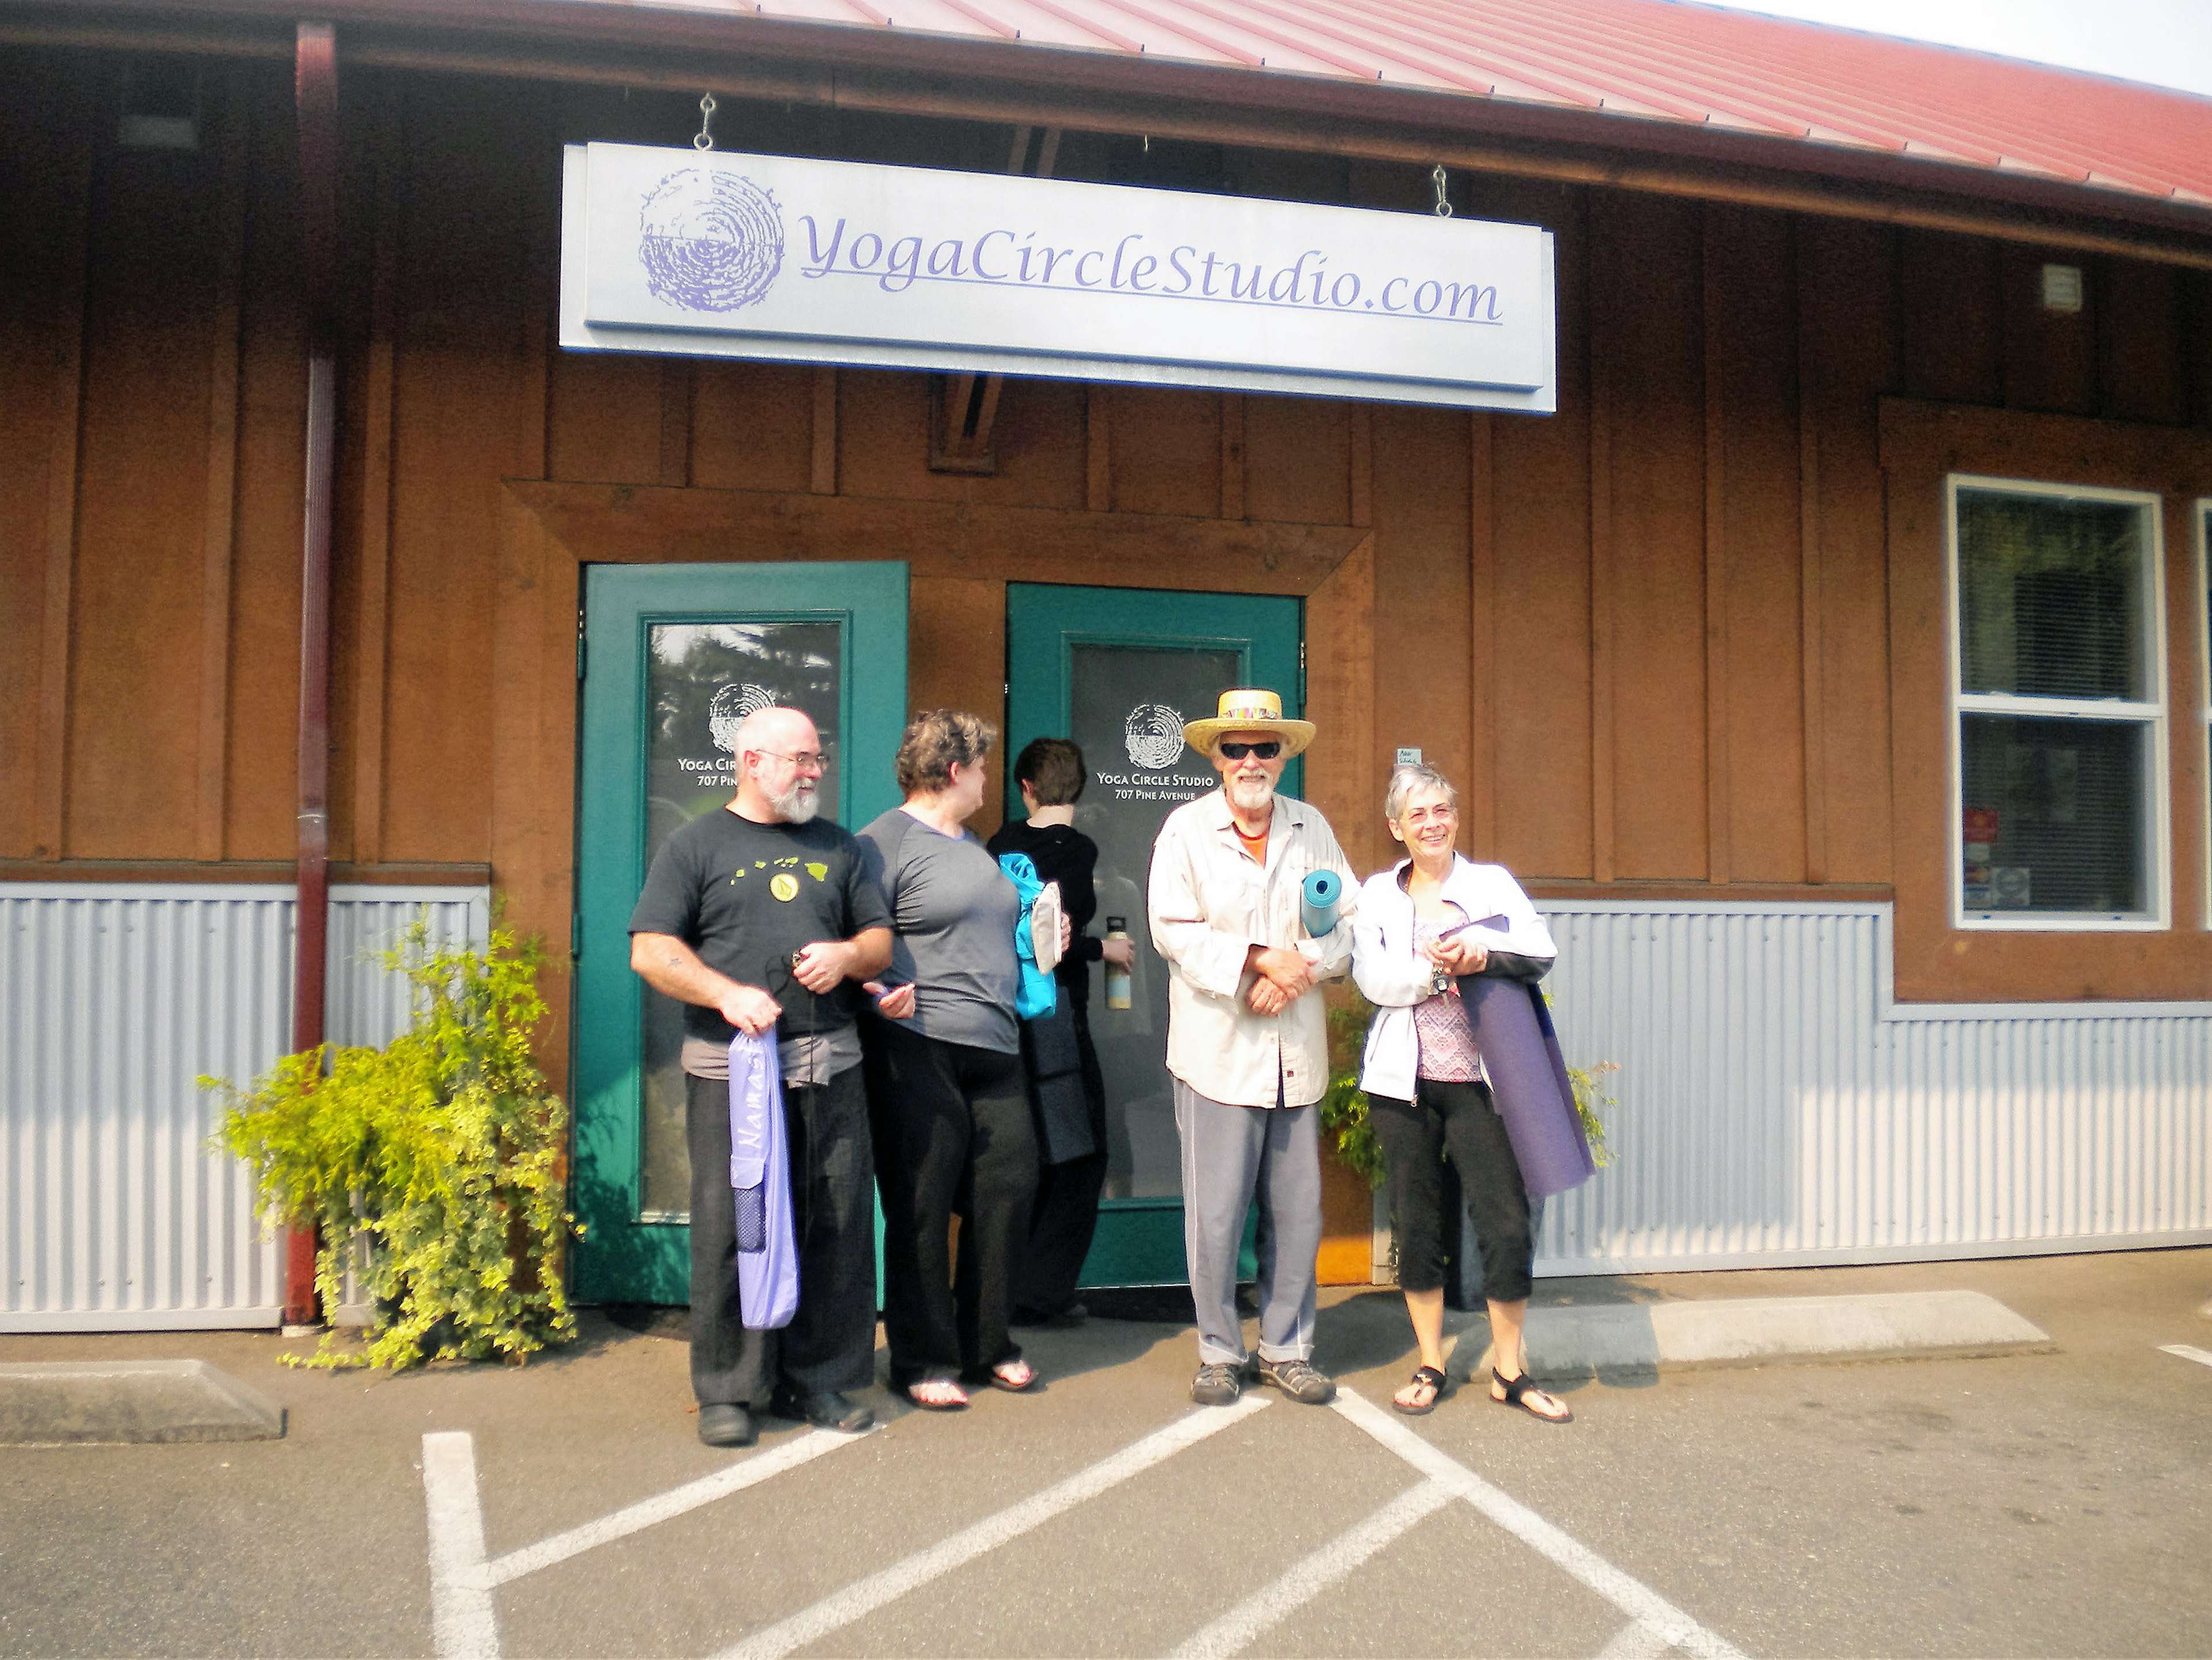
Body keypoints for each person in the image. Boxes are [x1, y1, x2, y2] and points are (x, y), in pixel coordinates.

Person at [628, 705, 893, 1449]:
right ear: (751, 760)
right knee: (734, 1227)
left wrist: (848, 956)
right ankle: (730, 1388)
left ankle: (820, 1379)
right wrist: (725, 993)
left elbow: (877, 940)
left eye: (817, 759)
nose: (814, 772)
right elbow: (650, 949)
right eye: (801, 759)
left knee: (834, 1224)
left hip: (828, 1064)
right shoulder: (695, 845)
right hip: (732, 1073)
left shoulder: (839, 846)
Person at [1147, 689, 1357, 1408]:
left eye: (1265, 747)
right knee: (1216, 1212)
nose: (1250, 760)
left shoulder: (1314, 827)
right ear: (1215, 756)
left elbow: (1347, 926)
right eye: (1235, 748)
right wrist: (1260, 960)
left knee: (1298, 1211)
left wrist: (1293, 970)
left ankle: (1287, 1348)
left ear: (1285, 755)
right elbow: (1172, 928)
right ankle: (1216, 1350)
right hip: (1218, 1052)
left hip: (1294, 1049)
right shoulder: (1185, 830)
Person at [1350, 762, 1577, 1422]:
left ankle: (1510, 1368)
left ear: (1455, 817)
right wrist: (1433, 970)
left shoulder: (1492, 884)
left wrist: (1482, 952)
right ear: (1397, 827)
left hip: (1484, 1083)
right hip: (1405, 1086)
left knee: (1506, 1224)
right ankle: (1430, 1361)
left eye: (1442, 809)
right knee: (1417, 1226)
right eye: (1417, 814)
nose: (1432, 823)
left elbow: (1540, 951)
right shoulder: (1377, 895)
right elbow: (1373, 980)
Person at [858, 709, 1039, 1411]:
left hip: (996, 1044)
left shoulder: (974, 846)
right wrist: (875, 995)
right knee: (922, 1204)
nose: (989, 778)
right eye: (983, 767)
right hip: (920, 1044)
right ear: (954, 771)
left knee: (1008, 1189)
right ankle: (922, 1357)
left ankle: (986, 1342)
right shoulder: (883, 841)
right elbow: (854, 934)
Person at [986, 737, 1134, 1326]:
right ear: (1080, 786)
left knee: (1029, 1153)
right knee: (1080, 1152)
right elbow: (1056, 943)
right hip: (1057, 1021)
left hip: (1005, 1018)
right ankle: (1042, 1291)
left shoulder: (999, 846)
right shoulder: (1079, 851)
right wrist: (1106, 947)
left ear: (1025, 787)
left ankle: (1008, 1284)